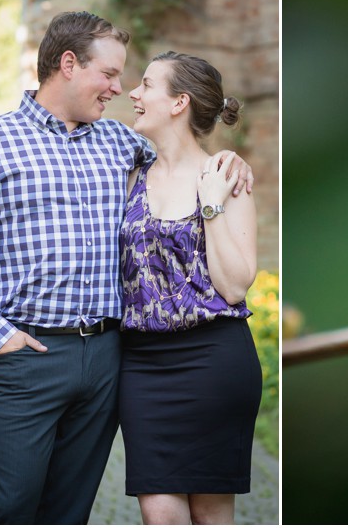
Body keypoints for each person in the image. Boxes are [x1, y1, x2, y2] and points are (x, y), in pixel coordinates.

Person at [0, 11, 252, 524]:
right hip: (27, 356)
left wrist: (230, 162)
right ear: (69, 64)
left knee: (68, 512)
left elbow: (181, 156)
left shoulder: (123, 145)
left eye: (128, 79)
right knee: (8, 507)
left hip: (107, 358)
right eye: (110, 74)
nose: (119, 89)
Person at [117, 51, 261, 524]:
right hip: (141, 365)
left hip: (213, 362)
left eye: (146, 85)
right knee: (159, 511)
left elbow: (236, 286)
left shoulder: (225, 177)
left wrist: (212, 205)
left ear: (179, 102)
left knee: (211, 512)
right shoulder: (130, 170)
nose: (132, 94)